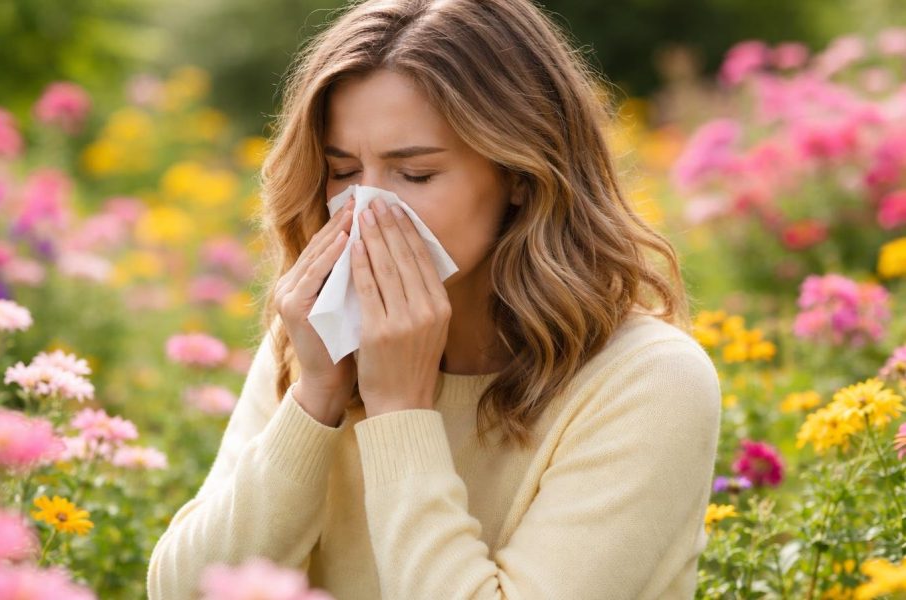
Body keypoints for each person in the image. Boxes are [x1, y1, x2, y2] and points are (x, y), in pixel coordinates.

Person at [147, 0, 722, 598]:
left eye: (415, 175)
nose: (366, 212)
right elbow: (183, 590)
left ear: (522, 176)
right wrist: (315, 399)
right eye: (343, 171)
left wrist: (400, 410)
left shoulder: (648, 382)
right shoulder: (317, 343)